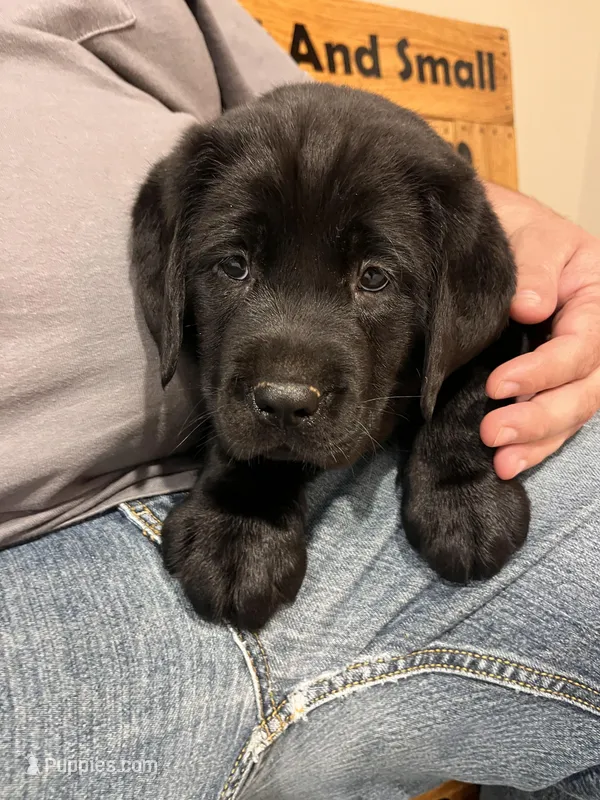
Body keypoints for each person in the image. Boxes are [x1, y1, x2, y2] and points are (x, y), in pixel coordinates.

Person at [0, 1, 598, 798]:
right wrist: (246, 480)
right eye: (235, 265)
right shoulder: (187, 194)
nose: (287, 380)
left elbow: (321, 136)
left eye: (371, 278)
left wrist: (459, 455)